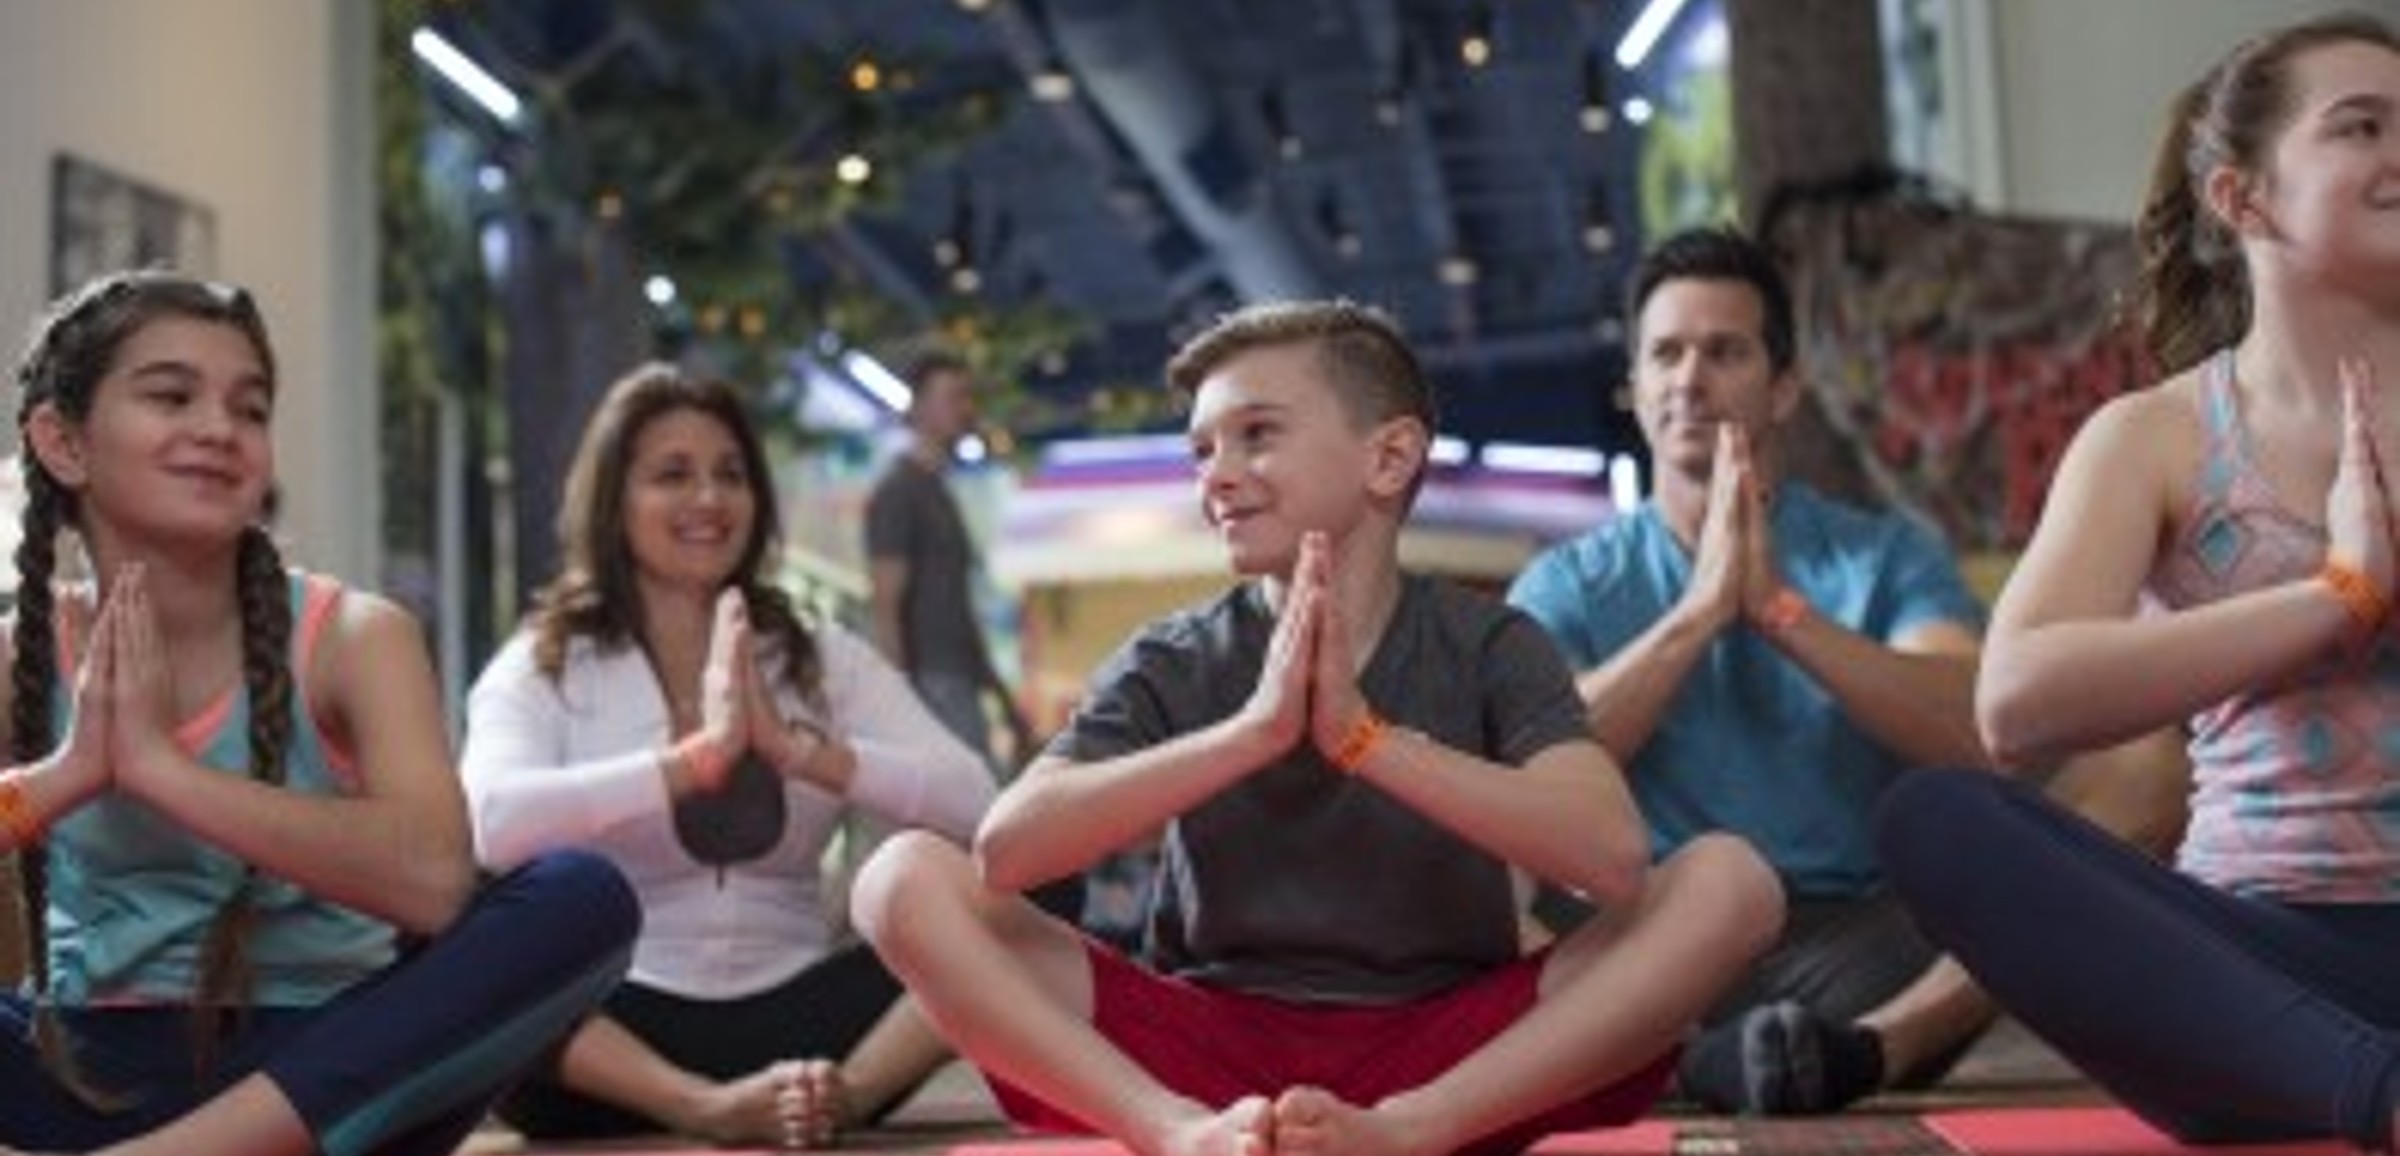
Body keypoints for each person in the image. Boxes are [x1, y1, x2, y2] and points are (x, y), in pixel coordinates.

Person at [851, 300, 1782, 1156]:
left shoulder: (1492, 640)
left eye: (1256, 435)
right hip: (1205, 1049)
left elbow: (1611, 858)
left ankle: (1415, 1134)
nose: (1216, 475)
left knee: (1731, 882)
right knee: (898, 881)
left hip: (1451, 1053)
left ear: (1389, 458)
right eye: (1203, 449)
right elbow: (1007, 854)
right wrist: (1250, 735)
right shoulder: (1173, 655)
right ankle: (1173, 1137)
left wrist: (1367, 742)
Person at [1507, 226, 2188, 1115]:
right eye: (1665, 355)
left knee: (2144, 764)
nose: (1690, 380)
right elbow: (1526, 775)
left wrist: (1782, 614)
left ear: (1783, 387)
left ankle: (1873, 1052)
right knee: (1446, 817)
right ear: (1633, 390)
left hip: (1863, 953)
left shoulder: (1885, 555)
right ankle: (1682, 1060)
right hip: (1637, 949)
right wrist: (1695, 618)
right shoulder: (1567, 582)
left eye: (1726, 352)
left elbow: (1986, 730)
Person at [1878, 13, 2400, 1149]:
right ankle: (2374, 1092)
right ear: (2241, 198)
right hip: (2253, 971)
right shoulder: (2155, 439)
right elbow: (2015, 702)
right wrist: (2337, 597)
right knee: (1944, 819)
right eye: (2362, 126)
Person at [0, 269, 639, 1155]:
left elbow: (430, 882)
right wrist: (70, 773)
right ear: (63, 443)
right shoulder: (17, 654)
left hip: (322, 1072)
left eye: (250, 408)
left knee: (581, 897)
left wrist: (164, 774)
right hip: (77, 1074)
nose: (219, 430)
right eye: (171, 396)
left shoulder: (355, 638)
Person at [460, 363, 996, 1149]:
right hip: (610, 1040)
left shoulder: (820, 656)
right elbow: (490, 824)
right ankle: (699, 1108)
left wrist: (807, 755)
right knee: (440, 910)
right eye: (672, 475)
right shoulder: (545, 662)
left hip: (810, 1031)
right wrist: (694, 762)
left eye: (730, 474)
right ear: (615, 501)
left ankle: (842, 1100)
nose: (708, 499)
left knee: (1033, 872)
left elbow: (981, 802)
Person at [865, 352, 1032, 770]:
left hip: (956, 680)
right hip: (930, 685)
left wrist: (1001, 696)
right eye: (954, 397)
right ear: (918, 407)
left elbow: (957, 608)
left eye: (968, 397)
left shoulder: (939, 491)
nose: (966, 409)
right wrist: (898, 706)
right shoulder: (898, 491)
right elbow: (885, 604)